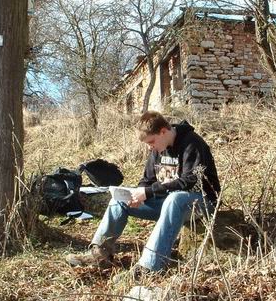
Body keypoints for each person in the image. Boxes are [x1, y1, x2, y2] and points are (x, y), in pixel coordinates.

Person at [66, 111, 221, 276]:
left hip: (201, 203)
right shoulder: (157, 149)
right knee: (118, 200)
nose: (150, 147)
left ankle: (150, 266)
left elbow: (190, 181)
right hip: (167, 203)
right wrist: (137, 193)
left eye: (151, 141)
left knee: (175, 198)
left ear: (163, 131)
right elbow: (147, 180)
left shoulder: (192, 143)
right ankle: (100, 255)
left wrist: (148, 192)